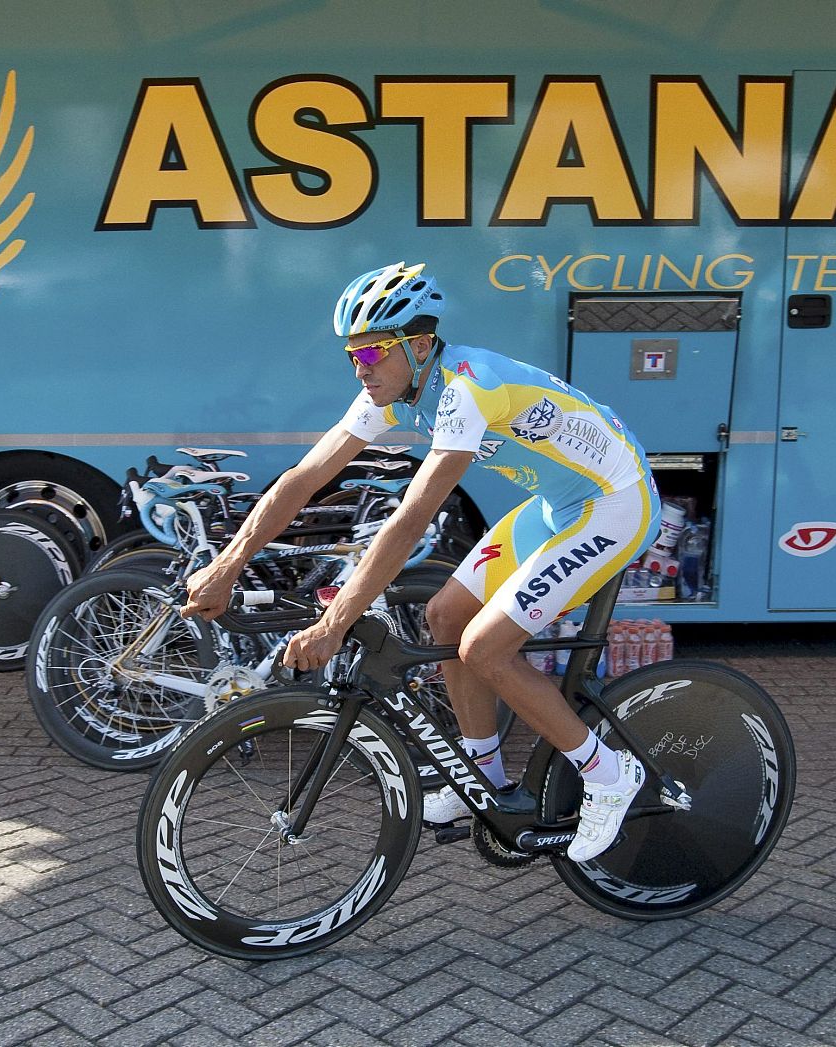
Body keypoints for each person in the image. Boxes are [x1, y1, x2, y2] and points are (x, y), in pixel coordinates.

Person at [181, 261, 663, 863]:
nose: (361, 368)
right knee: (445, 615)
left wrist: (333, 626)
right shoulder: (396, 388)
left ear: (418, 344)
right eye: (352, 355)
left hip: (615, 504)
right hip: (558, 504)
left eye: (373, 353)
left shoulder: (466, 386)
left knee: (485, 648)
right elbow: (303, 479)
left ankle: (609, 773)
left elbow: (409, 521)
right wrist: (228, 564)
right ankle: (482, 774)